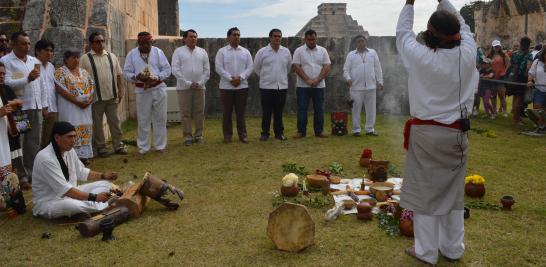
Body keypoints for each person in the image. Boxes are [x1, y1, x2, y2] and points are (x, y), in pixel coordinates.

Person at [397, 0, 478, 264]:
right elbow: (464, 26)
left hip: (427, 135)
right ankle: (453, 249)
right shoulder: (468, 51)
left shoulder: (420, 56)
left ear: (430, 34)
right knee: (453, 194)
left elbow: (403, 33)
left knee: (425, 194)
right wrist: (444, 1)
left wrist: (409, 2)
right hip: (457, 135)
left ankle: (426, 252)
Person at [32, 121, 117, 219]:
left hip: (72, 193)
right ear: (56, 137)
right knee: (72, 206)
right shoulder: (45, 158)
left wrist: (103, 176)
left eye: (74, 136)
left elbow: (81, 171)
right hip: (50, 202)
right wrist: (95, 197)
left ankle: (86, 206)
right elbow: (65, 190)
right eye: (69, 137)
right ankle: (103, 204)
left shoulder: (69, 150)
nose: (73, 140)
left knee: (106, 184)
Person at [0, 31, 47, 182]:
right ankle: (20, 174)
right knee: (19, 143)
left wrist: (44, 104)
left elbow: (42, 83)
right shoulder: (6, 61)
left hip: (35, 106)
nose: (27, 46)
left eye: (28, 43)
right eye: (23, 43)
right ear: (14, 44)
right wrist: (27, 79)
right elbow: (5, 83)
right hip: (20, 108)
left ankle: (32, 172)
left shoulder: (34, 60)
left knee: (34, 141)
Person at [123, 32, 171, 155]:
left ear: (152, 42)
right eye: (142, 43)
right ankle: (143, 147)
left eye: (147, 43)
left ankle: (160, 146)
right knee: (143, 119)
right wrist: (135, 76)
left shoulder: (158, 52)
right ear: (138, 43)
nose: (145, 45)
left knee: (160, 118)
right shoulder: (132, 54)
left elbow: (167, 69)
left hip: (158, 88)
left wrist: (157, 77)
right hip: (141, 90)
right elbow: (126, 73)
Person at [80, 32, 127, 157]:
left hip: (111, 96)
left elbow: (118, 75)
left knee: (115, 122)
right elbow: (80, 78)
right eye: (97, 42)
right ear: (91, 44)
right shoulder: (85, 59)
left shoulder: (111, 56)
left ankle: (118, 145)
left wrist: (121, 91)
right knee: (97, 124)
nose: (100, 44)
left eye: (102, 41)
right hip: (95, 98)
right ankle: (101, 148)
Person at [53, 49, 95, 163]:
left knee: (85, 128)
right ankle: (72, 158)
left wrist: (89, 100)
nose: (76, 60)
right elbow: (60, 90)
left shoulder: (84, 72)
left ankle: (84, 156)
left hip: (85, 108)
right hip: (70, 107)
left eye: (77, 57)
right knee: (70, 128)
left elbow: (92, 88)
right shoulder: (60, 72)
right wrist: (77, 102)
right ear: (66, 60)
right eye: (73, 57)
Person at [215, 27, 253, 143]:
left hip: (242, 86)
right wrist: (230, 79)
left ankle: (243, 135)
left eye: (238, 35)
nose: (237, 37)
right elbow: (218, 68)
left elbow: (250, 67)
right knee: (227, 112)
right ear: (228, 37)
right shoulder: (222, 52)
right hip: (226, 87)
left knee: (240, 112)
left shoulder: (245, 52)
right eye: (234, 35)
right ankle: (227, 135)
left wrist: (240, 78)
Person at [171, 29, 210, 146]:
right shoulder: (178, 52)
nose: (194, 39)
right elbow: (175, 69)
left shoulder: (202, 52)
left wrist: (200, 83)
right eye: (191, 37)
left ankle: (199, 136)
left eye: (195, 37)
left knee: (199, 112)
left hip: (199, 87)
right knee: (185, 113)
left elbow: (207, 70)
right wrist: (188, 83)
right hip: (184, 88)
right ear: (184, 39)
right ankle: (187, 137)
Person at [253, 28, 292, 141]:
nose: (277, 38)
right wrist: (267, 78)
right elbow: (256, 68)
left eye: (279, 36)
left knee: (279, 112)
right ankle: (265, 133)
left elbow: (288, 68)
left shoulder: (286, 52)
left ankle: (279, 133)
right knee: (266, 112)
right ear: (270, 38)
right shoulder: (262, 52)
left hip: (281, 86)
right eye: (275, 36)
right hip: (266, 87)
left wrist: (280, 77)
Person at [292, 29, 331, 138]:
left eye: (313, 39)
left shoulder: (323, 51)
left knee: (319, 109)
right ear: (305, 39)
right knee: (302, 109)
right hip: (303, 86)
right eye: (309, 40)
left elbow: (326, 66)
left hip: (319, 86)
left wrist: (318, 79)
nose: (311, 42)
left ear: (316, 39)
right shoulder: (299, 51)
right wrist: (307, 80)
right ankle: (301, 131)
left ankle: (319, 131)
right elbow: (296, 66)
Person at [343, 35, 384, 136]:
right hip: (355, 87)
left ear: (365, 42)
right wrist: (348, 78)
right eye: (358, 41)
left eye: (362, 41)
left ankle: (370, 129)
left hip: (371, 86)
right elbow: (346, 69)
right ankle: (356, 130)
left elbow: (378, 68)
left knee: (371, 110)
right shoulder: (351, 55)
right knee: (355, 109)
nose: (361, 43)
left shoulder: (372, 53)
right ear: (356, 43)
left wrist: (380, 81)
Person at [0, 62, 29, 189]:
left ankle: (12, 193)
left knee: (9, 162)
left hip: (6, 135)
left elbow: (18, 104)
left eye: (3, 74)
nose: (1, 76)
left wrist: (14, 127)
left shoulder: (4, 88)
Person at [35, 39, 57, 148]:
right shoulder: (33, 65)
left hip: (52, 108)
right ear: (38, 51)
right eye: (46, 50)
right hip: (39, 108)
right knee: (36, 138)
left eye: (51, 50)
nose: (49, 53)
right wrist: (43, 107)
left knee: (48, 138)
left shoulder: (51, 67)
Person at [506, 37, 533, 124]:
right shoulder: (529, 55)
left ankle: (516, 116)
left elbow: (510, 65)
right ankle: (516, 119)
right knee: (519, 98)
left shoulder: (514, 53)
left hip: (513, 77)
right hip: (522, 77)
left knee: (515, 97)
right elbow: (528, 68)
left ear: (521, 44)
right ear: (528, 45)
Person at [488, 40, 510, 118]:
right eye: (495, 46)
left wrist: (505, 72)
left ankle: (505, 111)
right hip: (492, 78)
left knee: (502, 96)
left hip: (501, 78)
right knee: (493, 96)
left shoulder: (504, 55)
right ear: (493, 47)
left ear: (500, 46)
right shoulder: (490, 56)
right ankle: (494, 112)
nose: (497, 47)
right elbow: (487, 66)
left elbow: (508, 65)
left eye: (498, 46)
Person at [528, 49, 546, 133]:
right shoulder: (537, 62)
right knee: (537, 107)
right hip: (539, 89)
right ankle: (540, 124)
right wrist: (530, 80)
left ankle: (543, 126)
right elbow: (531, 73)